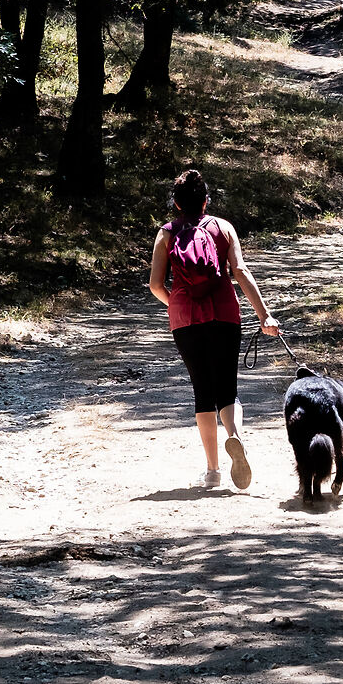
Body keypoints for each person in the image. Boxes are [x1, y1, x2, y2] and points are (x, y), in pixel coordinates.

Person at [149, 169, 279, 489]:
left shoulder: (166, 234)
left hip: (185, 319)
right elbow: (242, 271)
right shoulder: (224, 228)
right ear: (206, 201)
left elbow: (154, 285)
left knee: (202, 391)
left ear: (177, 204)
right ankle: (234, 436)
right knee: (227, 386)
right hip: (224, 313)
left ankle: (212, 471)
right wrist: (265, 315)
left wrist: (177, 304)